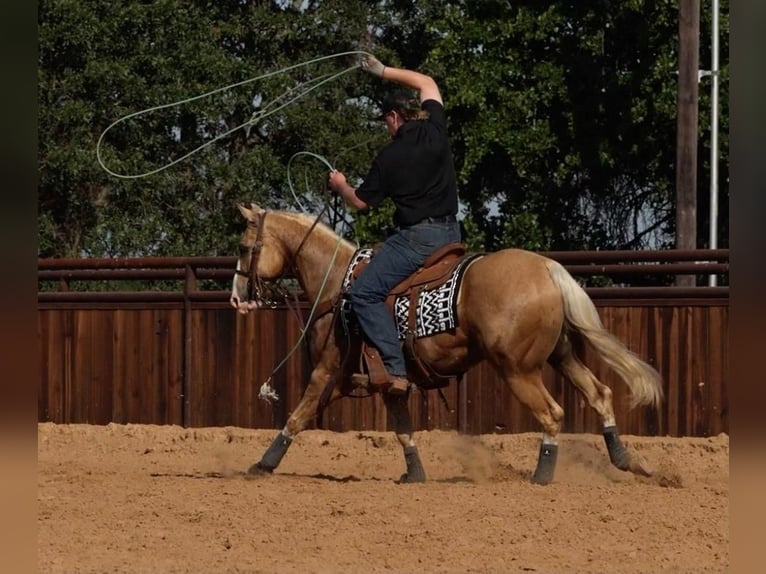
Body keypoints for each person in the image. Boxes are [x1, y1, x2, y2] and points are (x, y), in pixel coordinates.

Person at [327, 54, 461, 395]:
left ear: (394, 117)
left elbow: (360, 202)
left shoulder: (389, 157)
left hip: (416, 240)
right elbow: (426, 82)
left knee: (364, 294)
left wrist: (340, 185)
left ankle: (395, 368)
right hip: (451, 233)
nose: (386, 128)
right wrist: (383, 71)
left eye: (385, 121)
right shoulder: (436, 129)